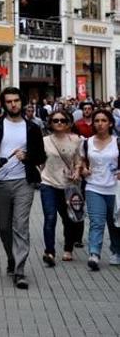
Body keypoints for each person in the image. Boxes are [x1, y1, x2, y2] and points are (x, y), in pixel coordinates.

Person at [0, 86, 45, 289]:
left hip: (24, 182)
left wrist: (27, 157)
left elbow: (41, 157)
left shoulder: (32, 128)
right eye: (9, 101)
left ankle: (20, 270)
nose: (13, 104)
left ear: (21, 102)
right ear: (4, 103)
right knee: (5, 227)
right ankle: (11, 257)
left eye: (16, 100)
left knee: (20, 226)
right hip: (0, 183)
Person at [76, 109, 120, 271]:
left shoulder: (117, 142)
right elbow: (81, 161)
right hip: (94, 187)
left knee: (115, 223)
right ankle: (94, 254)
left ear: (110, 123)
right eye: (97, 121)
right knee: (97, 222)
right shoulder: (87, 142)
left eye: (103, 120)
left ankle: (116, 251)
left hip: (115, 189)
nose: (100, 124)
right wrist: (84, 169)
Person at [38, 110, 83, 265]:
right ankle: (49, 252)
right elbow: (39, 160)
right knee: (50, 218)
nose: (59, 123)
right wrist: (41, 172)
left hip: (68, 186)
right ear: (50, 123)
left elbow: (78, 160)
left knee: (68, 218)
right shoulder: (44, 141)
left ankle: (68, 249)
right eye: (55, 120)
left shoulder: (75, 140)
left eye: (62, 120)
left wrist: (77, 172)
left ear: (68, 123)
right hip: (48, 183)